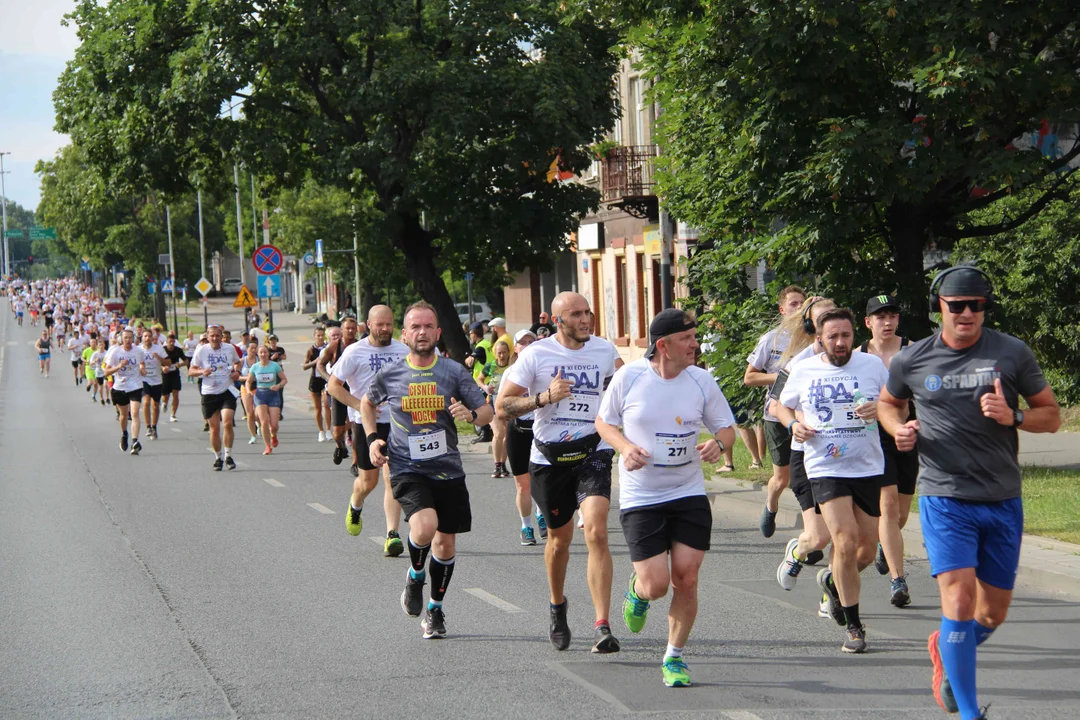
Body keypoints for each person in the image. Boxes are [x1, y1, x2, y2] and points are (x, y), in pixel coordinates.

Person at [879, 266, 1060, 720]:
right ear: (940, 307)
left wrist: (1013, 417)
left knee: (992, 612)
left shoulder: (1011, 353)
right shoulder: (912, 359)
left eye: (975, 305)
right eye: (956, 305)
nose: (966, 313)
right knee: (958, 599)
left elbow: (1052, 416)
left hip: (1002, 497)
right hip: (945, 496)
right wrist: (898, 428)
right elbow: (888, 401)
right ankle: (969, 713)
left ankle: (945, 646)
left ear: (984, 308)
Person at [595, 309, 736, 687]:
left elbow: (726, 427)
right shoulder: (631, 377)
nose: (695, 344)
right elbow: (603, 422)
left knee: (686, 578)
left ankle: (674, 656)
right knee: (656, 584)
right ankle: (638, 591)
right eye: (688, 338)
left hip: (687, 490)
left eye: (695, 337)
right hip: (642, 495)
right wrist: (624, 447)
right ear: (663, 345)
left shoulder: (701, 381)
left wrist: (719, 445)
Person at [497, 291, 622, 654]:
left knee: (596, 531)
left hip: (593, 451)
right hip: (550, 459)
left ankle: (602, 624)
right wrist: (543, 398)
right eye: (577, 314)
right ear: (558, 321)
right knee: (559, 540)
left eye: (588, 312)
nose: (586, 319)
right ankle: (557, 605)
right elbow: (503, 405)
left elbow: (620, 388)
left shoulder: (603, 350)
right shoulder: (536, 354)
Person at [361, 301, 491, 639]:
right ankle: (416, 574)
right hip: (407, 467)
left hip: (448, 469)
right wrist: (374, 439)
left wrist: (473, 416)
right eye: (415, 327)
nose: (421, 332)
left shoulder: (453, 372)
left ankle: (434, 610)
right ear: (405, 335)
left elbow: (487, 410)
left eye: (427, 326)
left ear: (438, 332)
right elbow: (367, 402)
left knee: (445, 545)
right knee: (424, 527)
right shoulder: (391, 373)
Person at [776, 308, 889, 654]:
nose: (840, 343)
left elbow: (896, 403)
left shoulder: (872, 366)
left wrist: (879, 407)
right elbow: (781, 406)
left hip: (867, 466)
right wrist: (793, 425)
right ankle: (854, 627)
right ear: (819, 339)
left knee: (866, 552)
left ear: (854, 336)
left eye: (846, 336)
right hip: (826, 465)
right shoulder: (804, 368)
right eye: (833, 337)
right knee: (844, 539)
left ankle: (832, 580)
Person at [328, 305, 409, 557]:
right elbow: (333, 386)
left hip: (397, 422)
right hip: (366, 425)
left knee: (392, 477)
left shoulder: (402, 350)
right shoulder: (354, 352)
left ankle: (392, 535)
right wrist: (361, 406)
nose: (385, 329)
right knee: (368, 481)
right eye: (380, 324)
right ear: (368, 325)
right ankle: (356, 503)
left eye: (389, 324)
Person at [857, 294, 918, 607]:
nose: (887, 322)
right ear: (868, 322)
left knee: (901, 515)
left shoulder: (914, 350)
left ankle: (886, 541)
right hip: (875, 439)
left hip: (908, 435)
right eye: (880, 316)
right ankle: (899, 581)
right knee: (889, 507)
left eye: (892, 315)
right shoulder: (858, 356)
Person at [744, 285, 807, 537]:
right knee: (783, 478)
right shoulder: (771, 339)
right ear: (782, 309)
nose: (798, 308)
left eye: (802, 303)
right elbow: (749, 378)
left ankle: (811, 531)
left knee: (810, 476)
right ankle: (771, 505)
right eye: (793, 304)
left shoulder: (816, 338)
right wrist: (782, 376)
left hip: (806, 415)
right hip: (776, 413)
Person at [505, 329, 546, 545]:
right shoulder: (510, 373)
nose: (528, 345)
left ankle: (541, 514)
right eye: (523, 342)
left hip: (540, 430)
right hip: (518, 430)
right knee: (523, 484)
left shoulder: (544, 370)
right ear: (516, 348)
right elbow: (501, 407)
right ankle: (526, 525)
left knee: (540, 479)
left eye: (532, 341)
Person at [189, 325, 243, 470]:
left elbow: (238, 362)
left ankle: (228, 455)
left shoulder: (229, 348)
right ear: (207, 337)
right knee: (214, 428)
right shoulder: (201, 350)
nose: (215, 338)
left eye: (217, 336)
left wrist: (237, 372)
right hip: (209, 392)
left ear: (221, 337)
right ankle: (217, 457)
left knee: (227, 423)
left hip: (227, 391)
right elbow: (191, 371)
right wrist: (202, 371)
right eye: (212, 336)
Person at [317, 317, 359, 467]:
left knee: (356, 427)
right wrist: (329, 379)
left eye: (353, 328)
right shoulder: (334, 347)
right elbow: (320, 365)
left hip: (356, 391)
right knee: (337, 432)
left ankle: (355, 462)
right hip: (339, 392)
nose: (351, 331)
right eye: (347, 328)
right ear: (342, 330)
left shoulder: (361, 347)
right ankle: (340, 446)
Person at [103, 328, 147, 456]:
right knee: (123, 415)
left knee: (134, 413)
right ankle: (124, 433)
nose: (128, 340)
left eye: (130, 337)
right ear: (121, 339)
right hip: (120, 386)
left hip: (135, 385)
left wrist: (142, 369)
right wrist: (119, 366)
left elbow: (142, 364)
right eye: (125, 338)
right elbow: (106, 372)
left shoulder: (138, 351)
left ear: (133, 339)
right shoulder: (115, 352)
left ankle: (135, 442)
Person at [478, 340, 512, 478]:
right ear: (495, 353)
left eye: (504, 352)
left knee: (507, 435)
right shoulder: (490, 366)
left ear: (509, 352)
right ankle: (496, 465)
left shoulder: (513, 365)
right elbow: (479, 379)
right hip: (492, 403)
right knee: (499, 433)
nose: (502, 356)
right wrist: (485, 387)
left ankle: (503, 464)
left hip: (508, 404)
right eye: (499, 353)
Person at [246, 344, 287, 454]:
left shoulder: (274, 366)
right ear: (258, 354)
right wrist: (249, 391)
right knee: (264, 422)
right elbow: (248, 381)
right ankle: (268, 446)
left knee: (274, 425)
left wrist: (278, 386)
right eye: (261, 352)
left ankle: (273, 435)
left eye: (265, 352)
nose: (263, 354)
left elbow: (284, 379)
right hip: (260, 395)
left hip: (273, 394)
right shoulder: (255, 367)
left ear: (268, 354)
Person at [138, 330, 171, 441]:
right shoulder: (138, 349)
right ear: (142, 338)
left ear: (152, 338)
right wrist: (140, 368)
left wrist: (159, 358)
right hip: (144, 380)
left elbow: (169, 363)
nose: (147, 338)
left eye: (149, 336)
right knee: (146, 402)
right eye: (145, 336)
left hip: (157, 380)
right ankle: (148, 427)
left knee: (156, 405)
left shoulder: (158, 348)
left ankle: (154, 426)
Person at [303, 326, 329, 442]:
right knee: (318, 408)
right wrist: (315, 361)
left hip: (326, 379)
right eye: (318, 335)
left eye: (322, 335)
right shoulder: (311, 350)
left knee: (327, 405)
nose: (320, 337)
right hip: (315, 380)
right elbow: (304, 366)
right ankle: (321, 431)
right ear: (314, 336)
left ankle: (329, 430)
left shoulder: (328, 348)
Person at [239, 341, 261, 444]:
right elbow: (237, 376)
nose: (253, 350)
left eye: (255, 348)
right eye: (251, 348)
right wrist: (247, 378)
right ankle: (253, 435)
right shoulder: (242, 361)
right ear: (247, 349)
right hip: (245, 387)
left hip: (258, 387)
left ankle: (260, 425)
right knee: (250, 413)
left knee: (258, 412)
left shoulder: (259, 360)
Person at [162, 333, 186, 422]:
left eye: (173, 341)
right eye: (170, 342)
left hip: (175, 374)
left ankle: (173, 414)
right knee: (165, 395)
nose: (171, 343)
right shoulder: (163, 350)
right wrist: (163, 367)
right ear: (166, 342)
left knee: (176, 393)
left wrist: (180, 364)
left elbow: (186, 361)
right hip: (165, 374)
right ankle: (164, 403)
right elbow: (158, 361)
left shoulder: (178, 350)